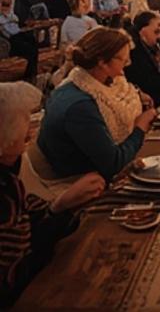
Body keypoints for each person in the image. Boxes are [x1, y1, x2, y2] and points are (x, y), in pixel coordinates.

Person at [0, 82, 103, 307]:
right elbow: (21, 267)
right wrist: (61, 208)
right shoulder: (5, 194)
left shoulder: (10, 172)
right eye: (24, 120)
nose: (31, 128)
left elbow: (32, 213)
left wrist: (61, 205)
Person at [34, 28, 156, 183]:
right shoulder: (80, 106)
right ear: (102, 62)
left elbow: (122, 91)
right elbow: (114, 164)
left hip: (95, 170)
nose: (127, 64)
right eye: (123, 60)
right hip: (79, 181)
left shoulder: (81, 82)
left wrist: (138, 95)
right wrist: (140, 127)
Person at [0, 0, 38, 85]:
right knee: (31, 51)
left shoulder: (11, 15)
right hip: (10, 39)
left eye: (7, 5)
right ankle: (30, 75)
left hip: (18, 34)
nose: (6, 7)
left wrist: (9, 17)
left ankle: (31, 73)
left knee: (33, 42)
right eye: (4, 5)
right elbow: (7, 31)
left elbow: (16, 21)